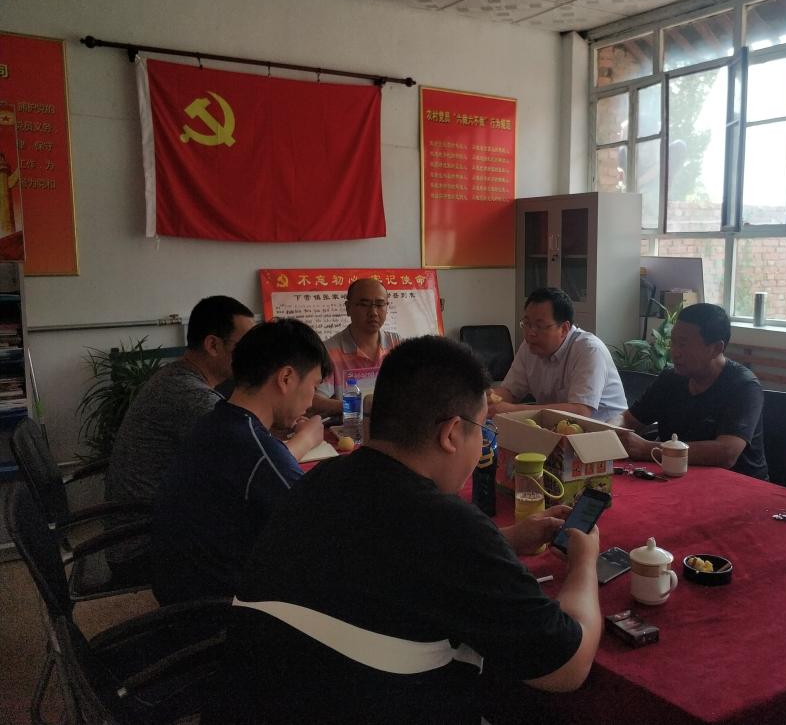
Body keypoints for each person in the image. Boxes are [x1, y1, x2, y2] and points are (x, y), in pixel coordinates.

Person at [229, 336, 601, 724]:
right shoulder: (449, 524)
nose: (483, 443)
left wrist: (504, 540)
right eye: (483, 429)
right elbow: (566, 668)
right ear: (451, 433)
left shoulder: (321, 479)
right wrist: (584, 563)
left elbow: (386, 551)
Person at [150, 318, 331, 605]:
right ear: (286, 378)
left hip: (178, 594)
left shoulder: (214, 422)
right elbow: (318, 535)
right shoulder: (259, 453)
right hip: (223, 611)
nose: (311, 401)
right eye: (314, 386)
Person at [103, 295, 255, 584]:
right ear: (213, 345)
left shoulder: (176, 377)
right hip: (146, 545)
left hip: (151, 526)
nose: (253, 356)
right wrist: (305, 436)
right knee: (267, 541)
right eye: (245, 346)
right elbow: (253, 456)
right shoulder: (189, 395)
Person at [613, 303, 768, 479]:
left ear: (716, 348)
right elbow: (628, 419)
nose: (675, 352)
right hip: (676, 477)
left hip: (736, 483)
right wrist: (610, 429)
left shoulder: (744, 386)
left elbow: (727, 453)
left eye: (683, 344)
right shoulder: (671, 378)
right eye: (673, 342)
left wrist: (648, 449)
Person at [488, 287, 627, 421]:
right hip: (556, 429)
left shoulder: (589, 349)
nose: (530, 333)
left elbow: (580, 411)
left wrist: (513, 410)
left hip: (607, 431)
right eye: (527, 324)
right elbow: (510, 391)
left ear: (564, 329)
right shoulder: (529, 346)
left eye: (539, 326)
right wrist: (485, 399)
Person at [312, 277, 400, 416]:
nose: (373, 312)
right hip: (349, 427)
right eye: (364, 304)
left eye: (380, 304)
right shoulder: (328, 351)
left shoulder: (397, 344)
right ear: (348, 308)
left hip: (392, 424)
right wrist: (356, 406)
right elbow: (313, 400)